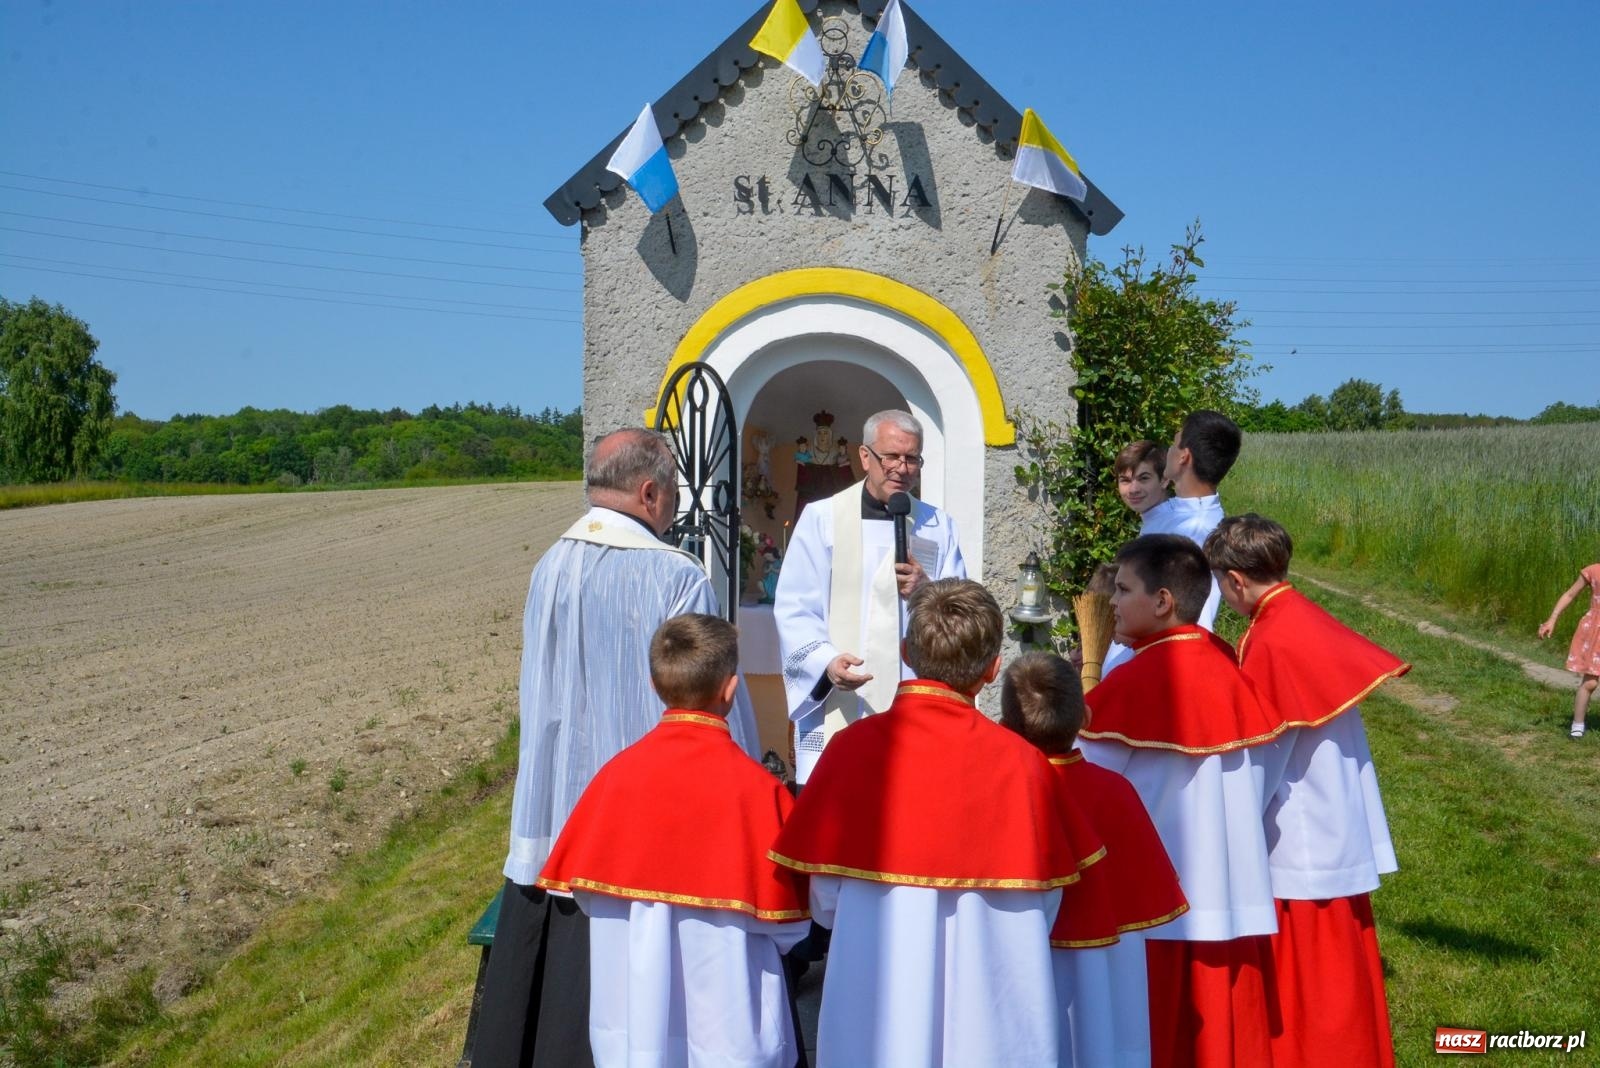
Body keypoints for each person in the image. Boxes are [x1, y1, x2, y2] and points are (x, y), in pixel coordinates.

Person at [473, 428, 761, 1068]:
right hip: (645, 821)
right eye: (674, 493)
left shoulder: (549, 563)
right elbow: (706, 691)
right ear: (650, 491)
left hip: (557, 807)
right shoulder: (673, 574)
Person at [771, 580, 1104, 1068]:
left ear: (906, 651)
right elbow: (1048, 901)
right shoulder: (1023, 764)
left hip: (875, 998)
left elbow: (823, 903)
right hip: (992, 1008)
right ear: (993, 671)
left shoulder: (851, 751)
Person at [537, 615, 810, 1068]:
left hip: (631, 1030)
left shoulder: (614, 780)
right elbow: (791, 926)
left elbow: (586, 898)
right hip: (731, 1031)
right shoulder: (759, 793)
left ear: (653, 684)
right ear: (731, 689)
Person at [1076, 535, 1288, 1068]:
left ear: (1164, 601)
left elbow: (1082, 790)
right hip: (1234, 899)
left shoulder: (1130, 685)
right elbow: (1266, 782)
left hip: (1151, 910)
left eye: (1123, 590)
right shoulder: (1234, 675)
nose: (1112, 603)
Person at [1205, 514, 1408, 1068]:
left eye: (1223, 585)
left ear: (1236, 581)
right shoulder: (1305, 616)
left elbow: (1268, 748)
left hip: (1303, 829)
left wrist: (1230, 815)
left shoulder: (1270, 638)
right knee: (1341, 964)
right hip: (1336, 809)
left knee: (1310, 972)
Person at [1001, 652, 1188, 1068]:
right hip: (1107, 959)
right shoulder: (1115, 791)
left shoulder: (1002, 795)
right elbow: (1149, 886)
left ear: (1007, 727)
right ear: (1085, 717)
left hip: (1023, 957)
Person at [774, 409, 966, 784]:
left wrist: (928, 591)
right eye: (891, 456)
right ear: (865, 457)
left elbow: (964, 610)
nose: (901, 468)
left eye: (912, 458)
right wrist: (827, 664)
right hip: (843, 696)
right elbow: (795, 607)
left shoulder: (938, 526)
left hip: (916, 701)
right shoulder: (822, 518)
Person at [1141, 409, 1242, 631]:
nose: (1168, 450)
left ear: (1183, 456)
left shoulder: (1195, 530)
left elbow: (1191, 618)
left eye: (1173, 443)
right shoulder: (1176, 511)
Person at [1102, 440, 1171, 676]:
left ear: (1164, 479)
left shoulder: (1169, 531)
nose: (1133, 489)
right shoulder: (1151, 525)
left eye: (1143, 478)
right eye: (1125, 480)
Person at [1537, 558, 1600, 739]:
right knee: (1590, 682)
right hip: (1595, 633)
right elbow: (1570, 595)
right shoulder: (1593, 570)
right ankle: (1577, 723)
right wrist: (1552, 619)